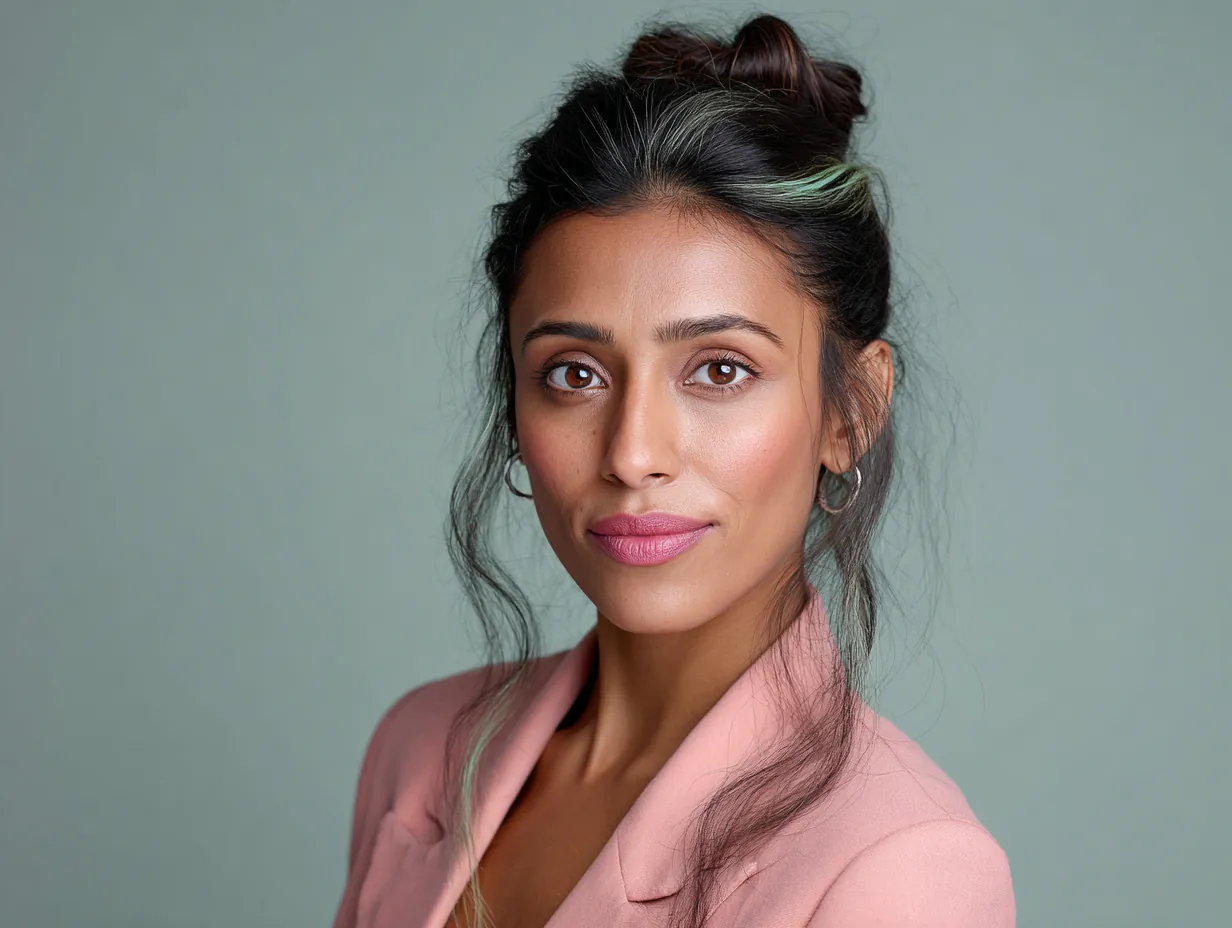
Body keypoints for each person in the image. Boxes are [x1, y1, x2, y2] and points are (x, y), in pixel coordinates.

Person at [332, 12, 1015, 928]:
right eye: (574, 374)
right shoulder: (420, 751)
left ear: (853, 409)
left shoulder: (901, 867)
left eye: (720, 370)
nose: (632, 454)